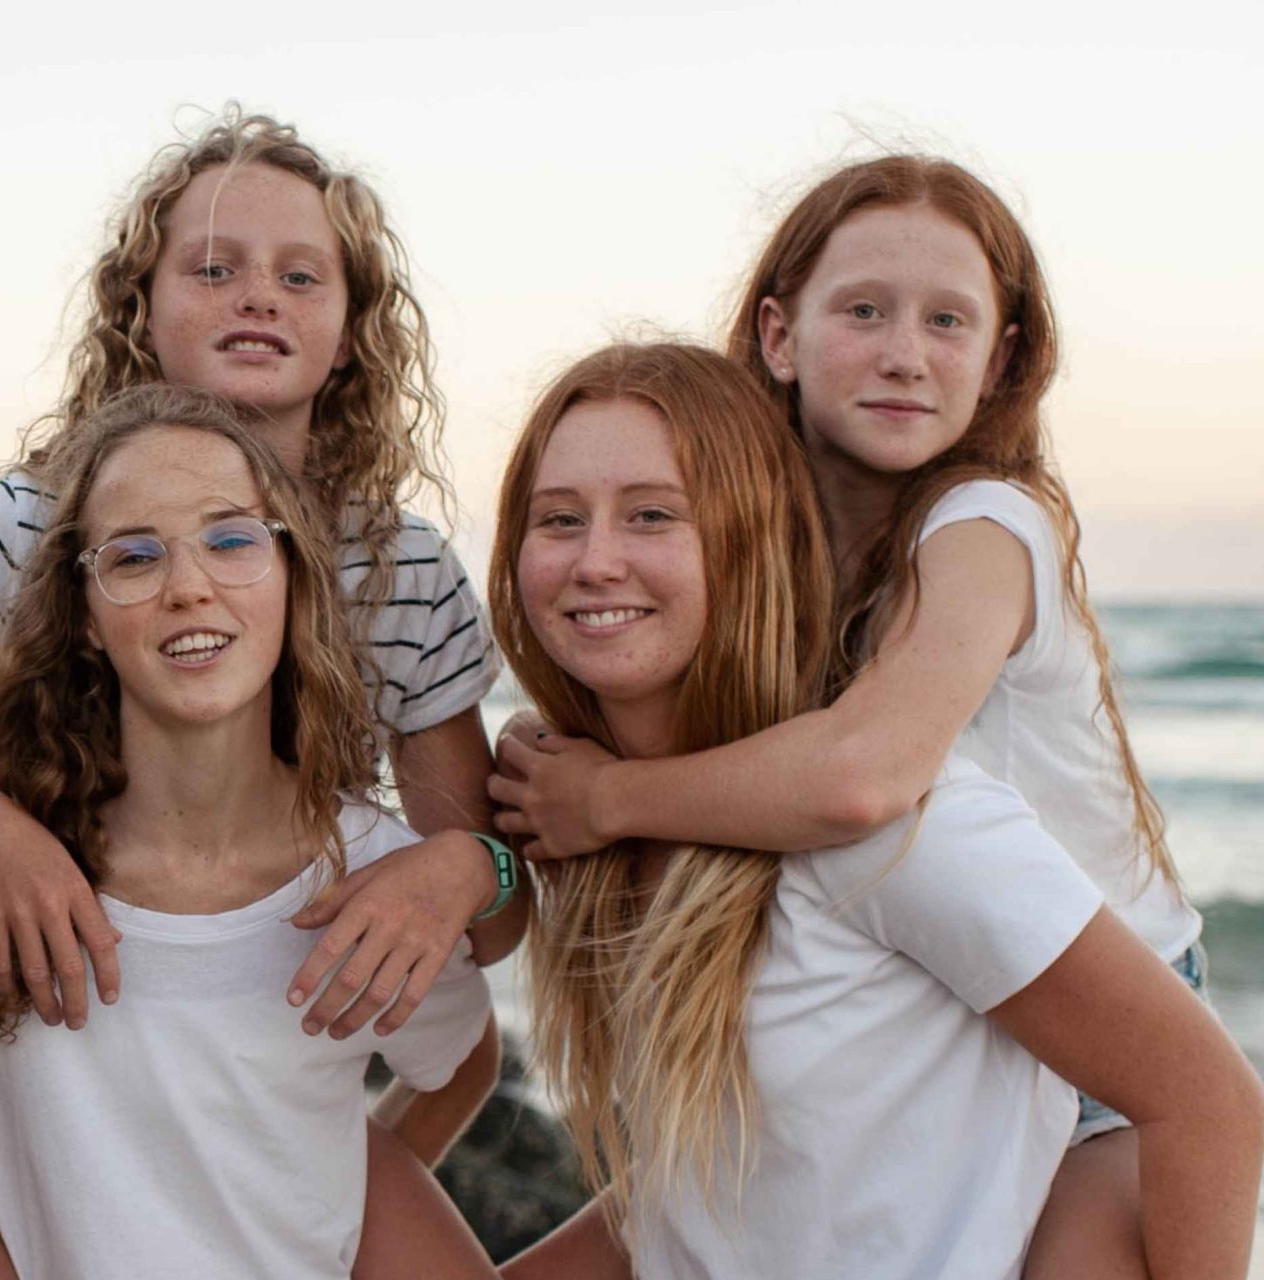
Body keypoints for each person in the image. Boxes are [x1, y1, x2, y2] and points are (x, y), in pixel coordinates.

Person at [0, 109, 523, 1277]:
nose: (258, 295)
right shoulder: (21, 532)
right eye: (212, 267)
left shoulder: (403, 570)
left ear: (350, 331)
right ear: (137, 308)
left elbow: (490, 921)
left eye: (301, 274)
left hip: (248, 1008)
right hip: (55, 1010)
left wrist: (464, 863)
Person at [491, 156, 1210, 1276]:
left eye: (947, 320)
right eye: (862, 310)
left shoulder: (984, 525)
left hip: (1105, 1055)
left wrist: (608, 796)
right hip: (977, 997)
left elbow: (862, 775)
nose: (902, 352)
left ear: (1002, 357)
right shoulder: (783, 550)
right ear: (777, 334)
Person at [0, 384, 499, 1278]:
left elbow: (462, 1061)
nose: (189, 585)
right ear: (86, 618)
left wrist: (352, 1202)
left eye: (233, 539)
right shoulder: (7, 891)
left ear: (293, 581)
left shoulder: (374, 880)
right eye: (134, 558)